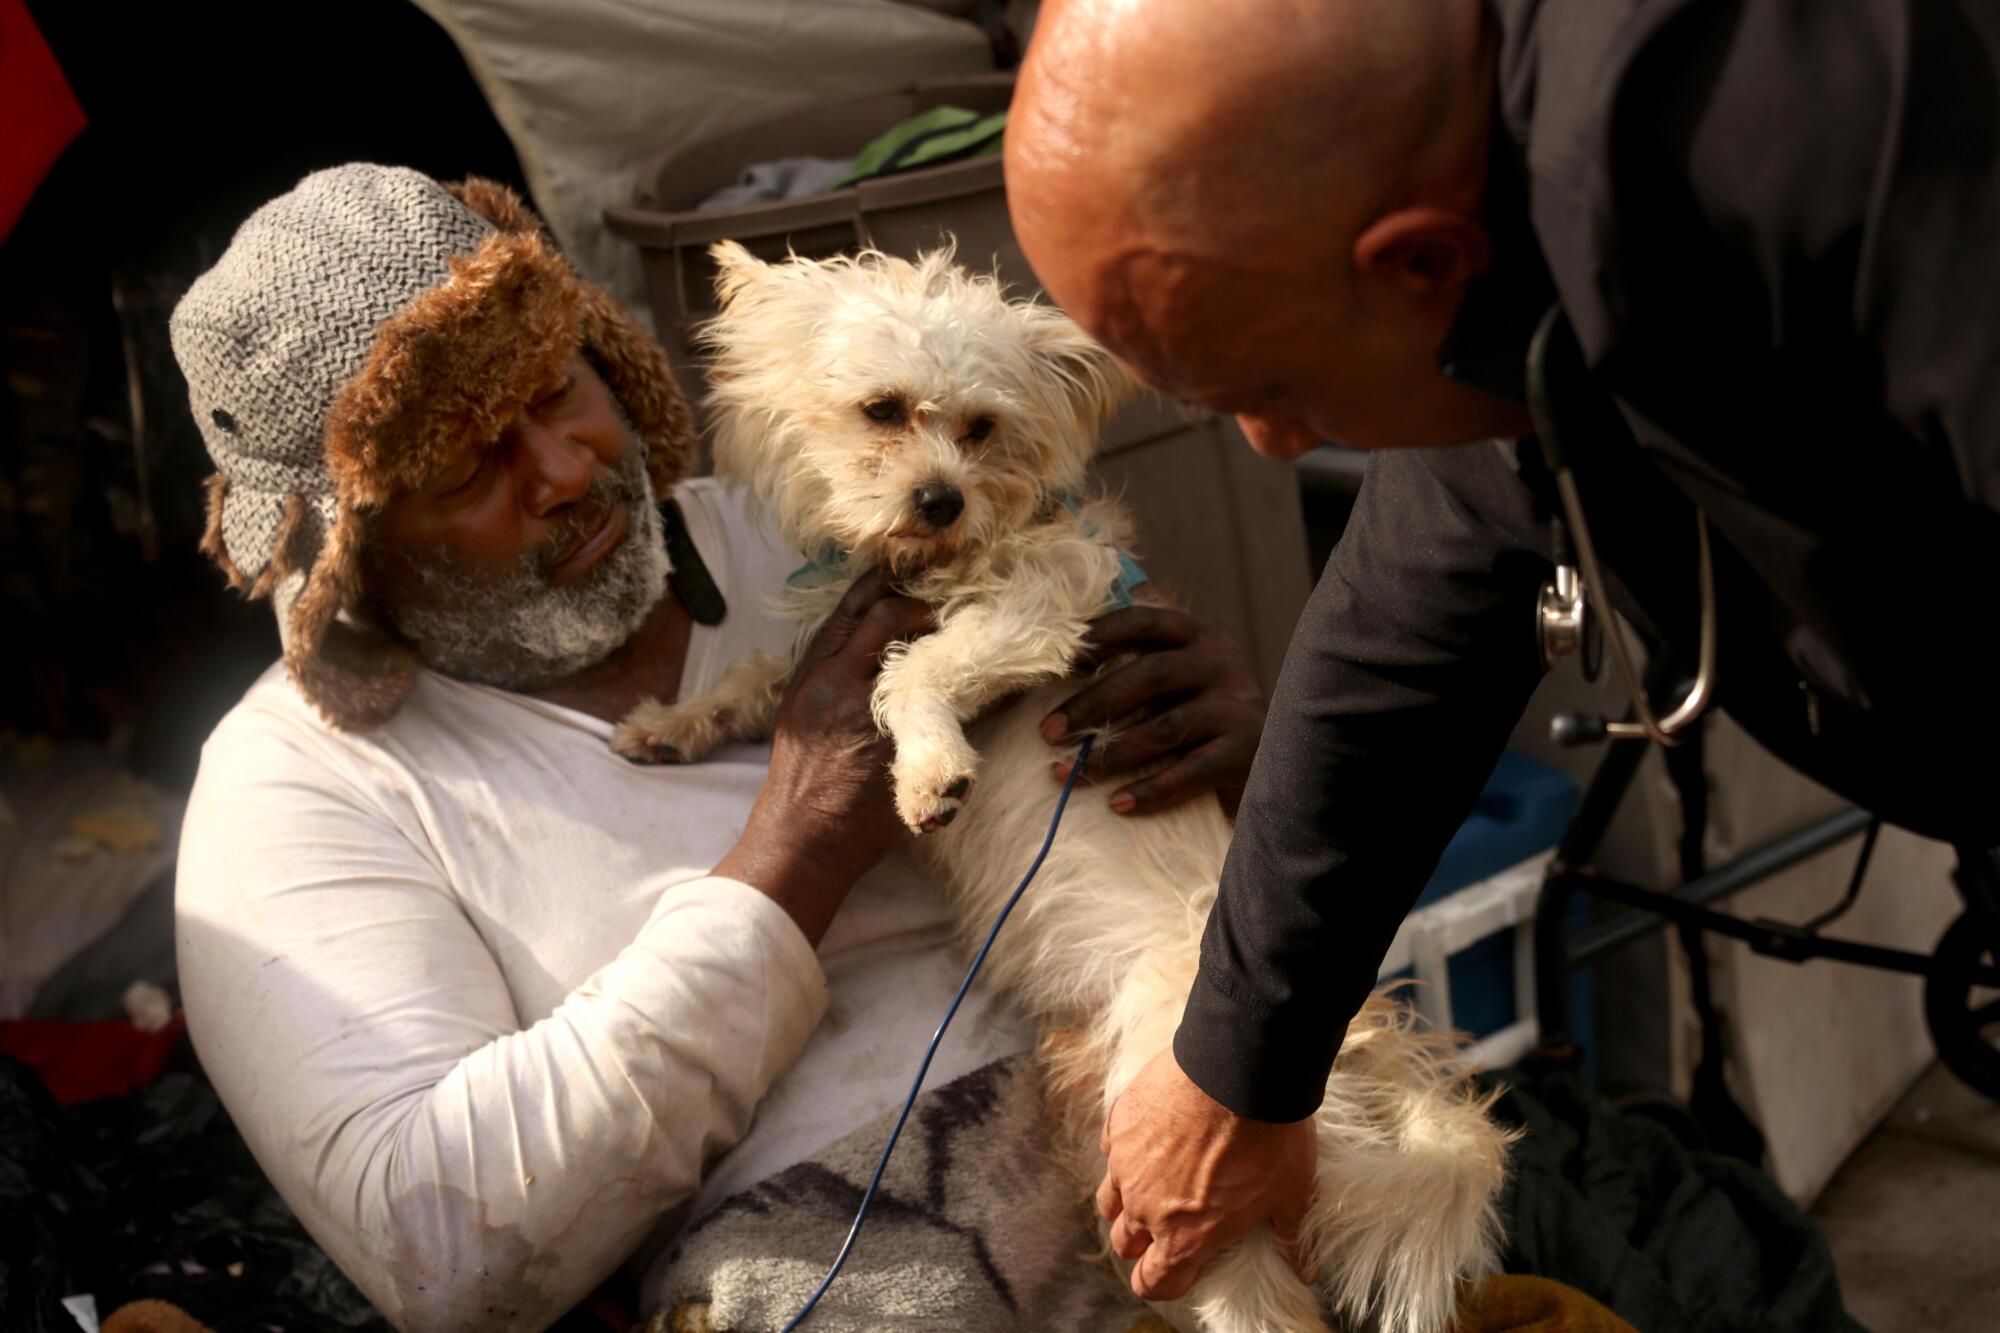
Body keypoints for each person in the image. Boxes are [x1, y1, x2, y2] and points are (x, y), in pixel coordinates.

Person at [1003, 0, 2000, 1304]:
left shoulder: (1830, 126)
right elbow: (1405, 619)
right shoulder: (1490, 199)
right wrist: (1232, 1064)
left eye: (1280, 392)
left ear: (1421, 263)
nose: (1269, 445)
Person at [167, 164, 1269, 1328]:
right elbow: (442, 1253)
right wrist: (794, 848)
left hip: (1185, 1128)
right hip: (843, 1275)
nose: (558, 472)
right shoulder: (293, 793)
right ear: (355, 551)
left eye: (556, 388)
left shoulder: (811, 512)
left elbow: (1139, 863)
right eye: (461, 464)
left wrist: (1243, 769)